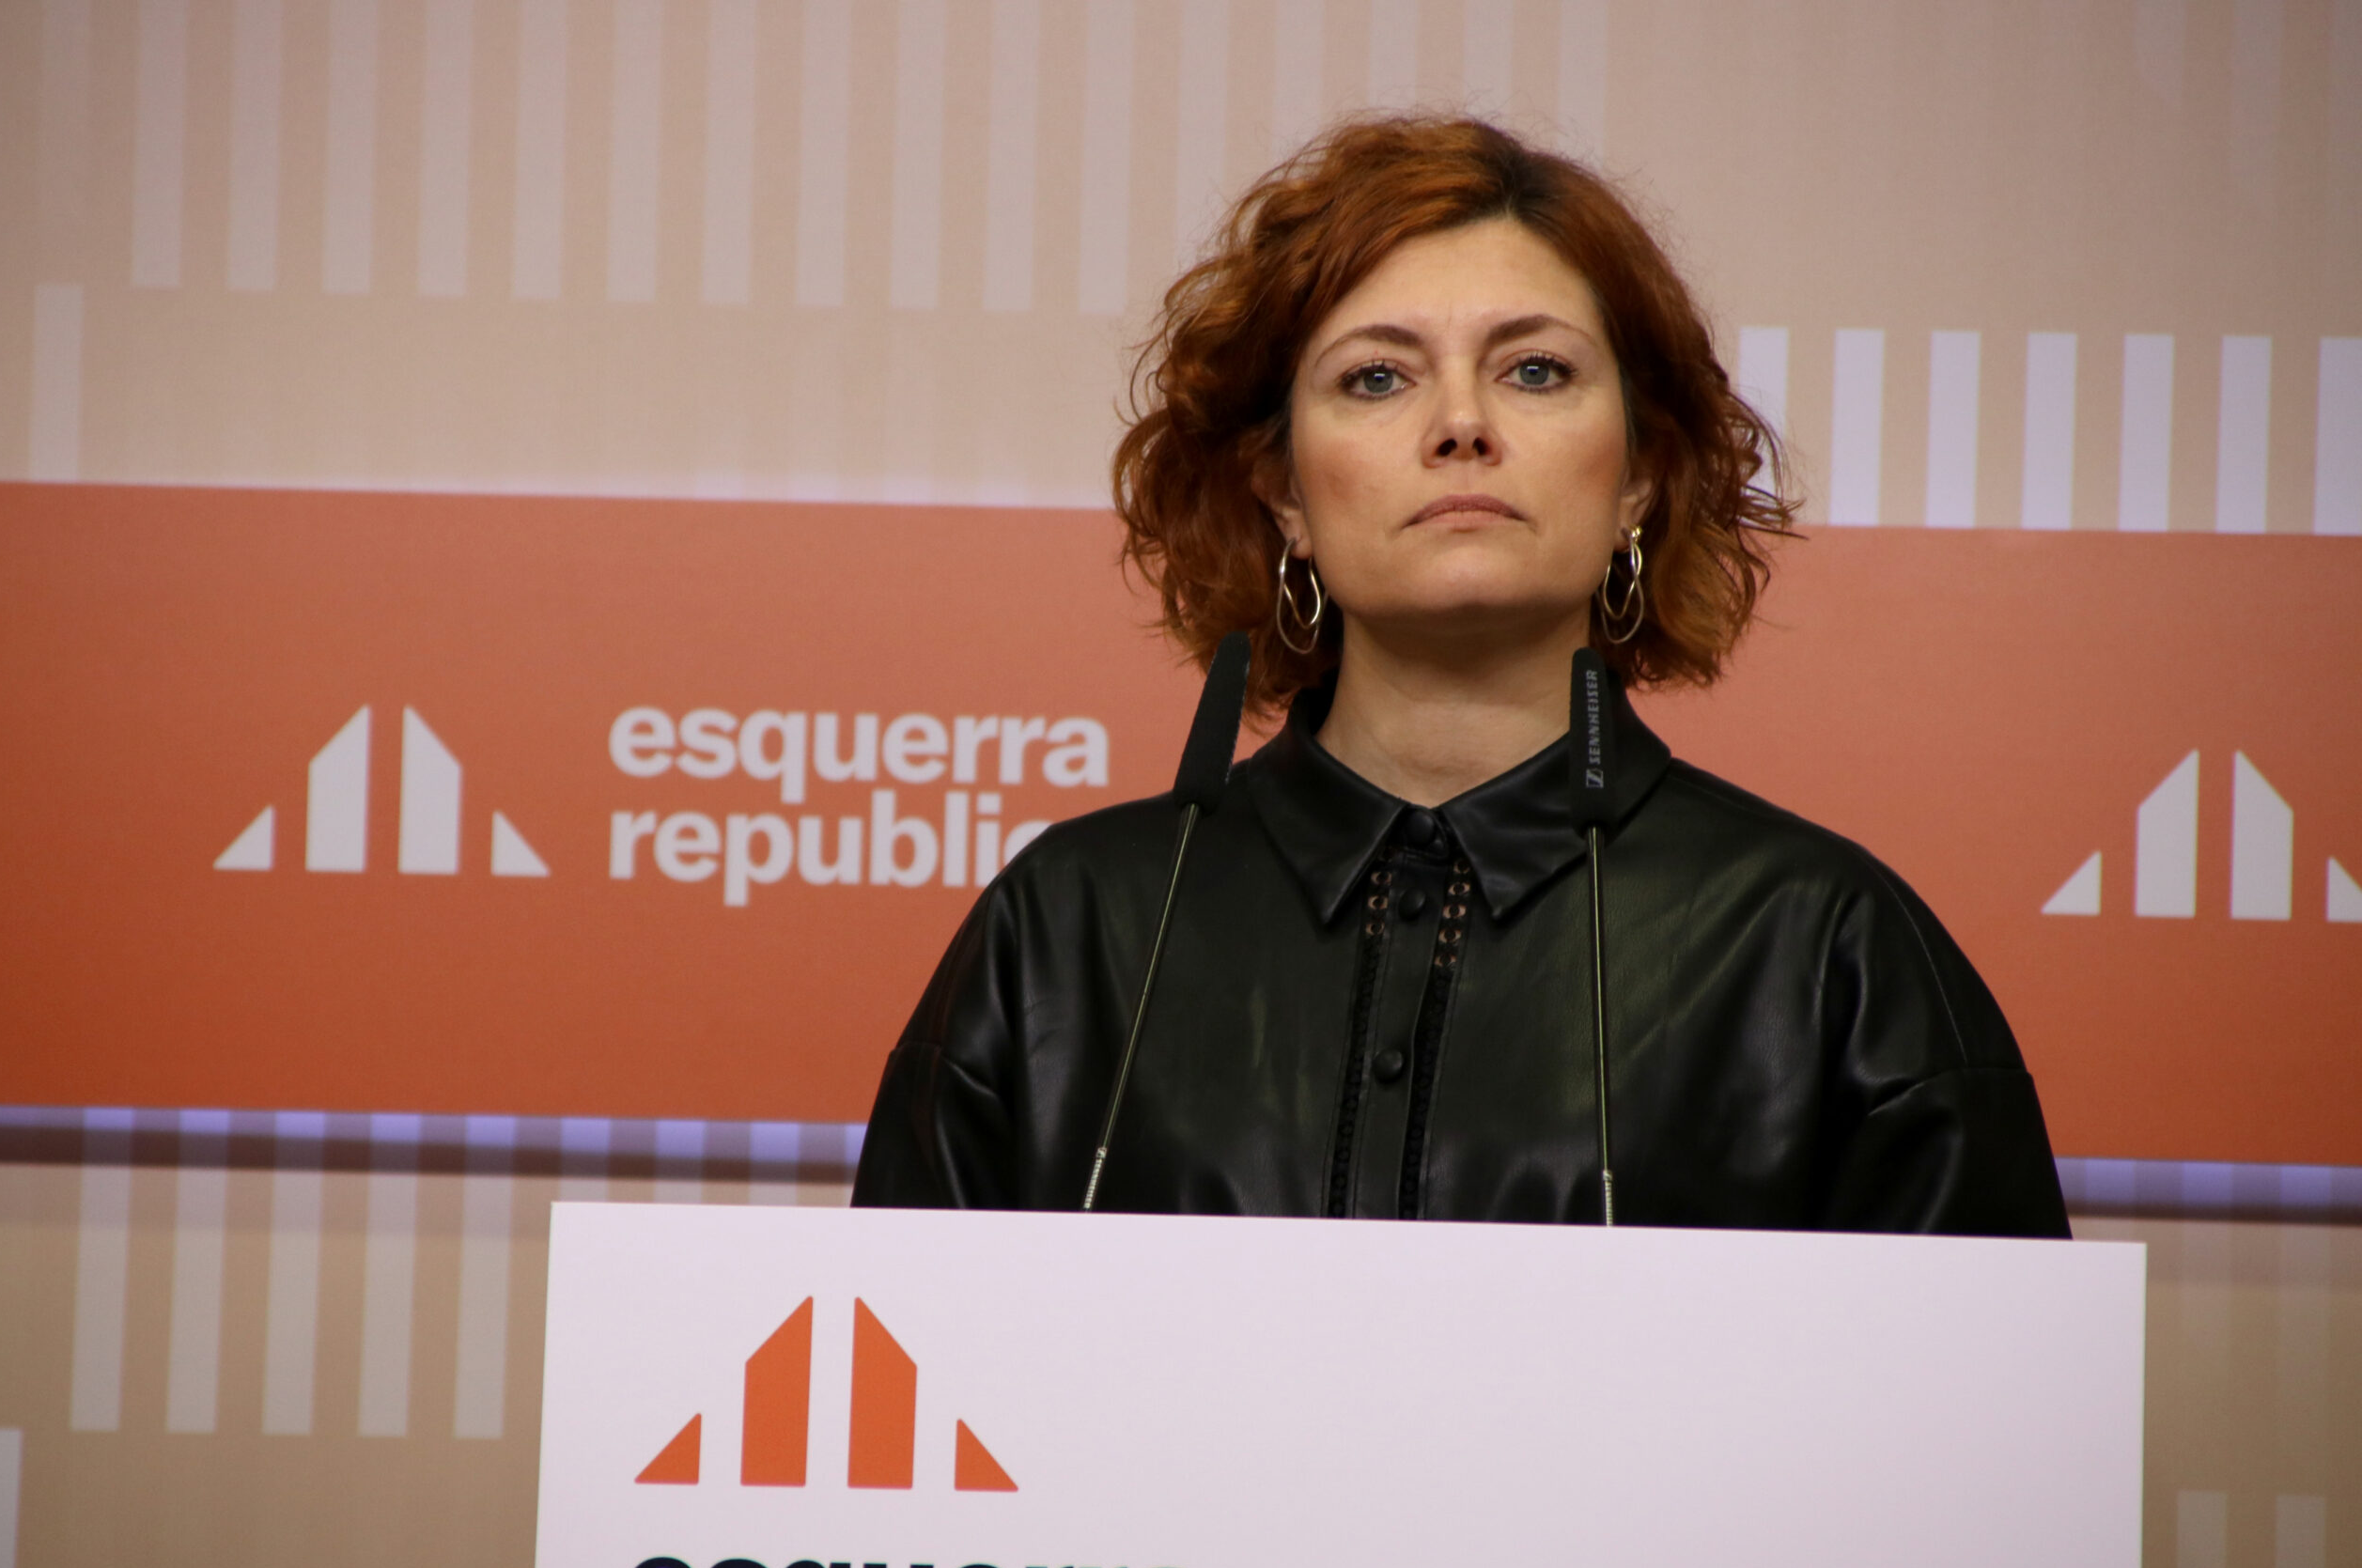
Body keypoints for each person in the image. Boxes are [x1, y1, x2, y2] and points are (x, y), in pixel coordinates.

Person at [853, 116, 2068, 1234]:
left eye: (1534, 370)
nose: (1461, 424)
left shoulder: (1825, 945)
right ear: (1282, 493)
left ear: (1640, 476)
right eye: (1376, 377)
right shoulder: (1066, 931)